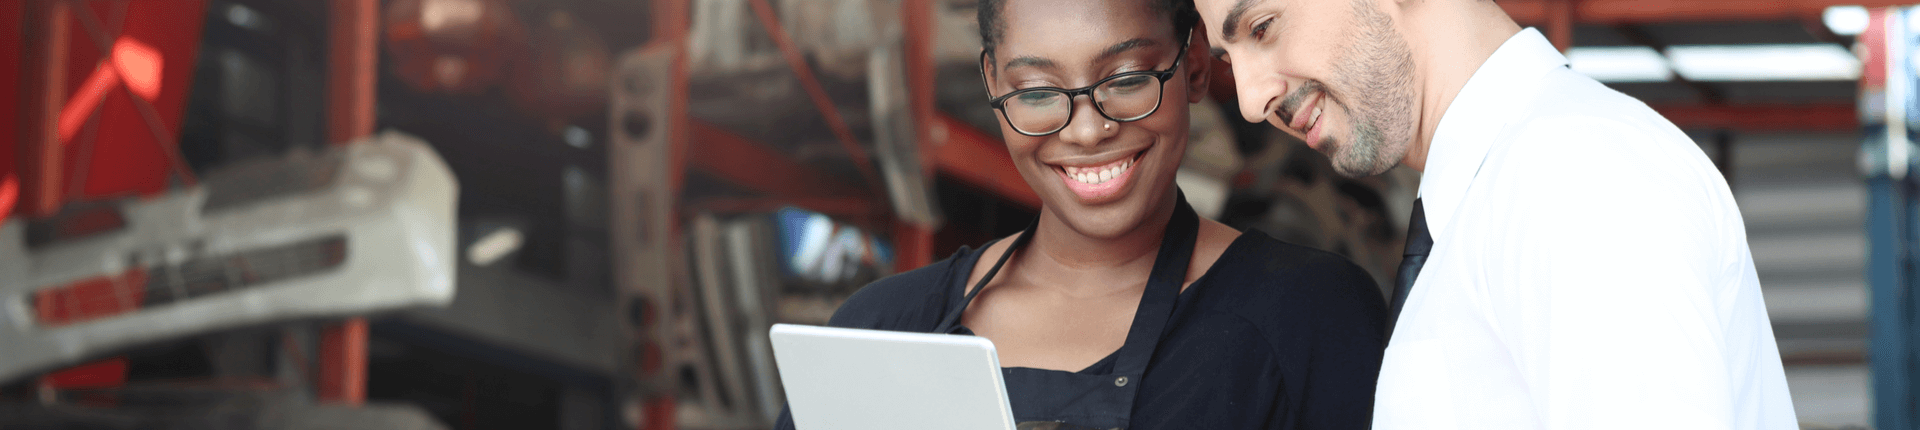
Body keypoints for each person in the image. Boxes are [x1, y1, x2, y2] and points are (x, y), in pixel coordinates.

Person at [772, 0, 1387, 428]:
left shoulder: (1309, 316)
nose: (1088, 130)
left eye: (1125, 78)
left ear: (1195, 63)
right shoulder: (878, 331)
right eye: (1037, 92)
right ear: (993, 83)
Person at [1192, 0, 1797, 428]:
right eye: (1227, 56)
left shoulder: (1572, 172)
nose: (1250, 99)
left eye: (1264, 27)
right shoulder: (1497, 190)